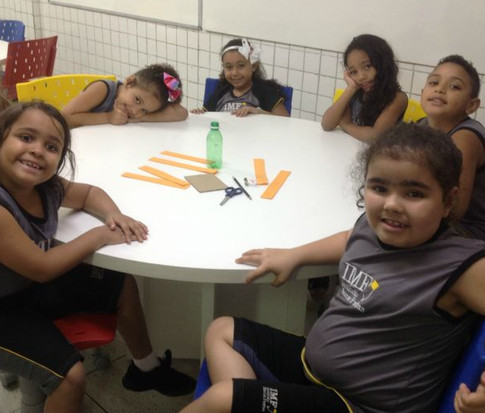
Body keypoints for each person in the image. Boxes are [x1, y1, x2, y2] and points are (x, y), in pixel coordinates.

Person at [180, 123, 485, 413]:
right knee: (221, 330)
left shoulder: (460, 266)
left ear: (448, 201)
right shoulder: (374, 226)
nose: (392, 204)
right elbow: (349, 239)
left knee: (223, 398)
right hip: (313, 369)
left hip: (359, 405)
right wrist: (295, 255)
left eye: (414, 193)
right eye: (379, 188)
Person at [0, 102, 195, 413]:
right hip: (7, 307)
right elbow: (42, 267)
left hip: (28, 288)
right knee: (71, 378)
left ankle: (145, 368)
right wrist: (99, 235)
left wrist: (114, 215)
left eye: (51, 146)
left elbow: (89, 193)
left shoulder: (46, 187)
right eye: (26, 137)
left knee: (119, 282)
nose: (37, 150)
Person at [420, 54, 485, 240]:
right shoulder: (421, 126)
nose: (440, 89)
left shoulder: (465, 138)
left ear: (471, 105)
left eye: (454, 86)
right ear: (422, 92)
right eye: (434, 82)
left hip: (468, 229)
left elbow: (455, 209)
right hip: (434, 212)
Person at [321, 34, 408, 142]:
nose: (361, 77)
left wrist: (346, 124)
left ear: (383, 64)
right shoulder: (355, 92)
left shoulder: (398, 98)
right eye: (354, 72)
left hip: (378, 152)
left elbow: (376, 136)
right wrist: (350, 89)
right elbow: (326, 124)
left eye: (367, 66)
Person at [62, 63, 188, 128]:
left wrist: (142, 118)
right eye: (137, 100)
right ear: (129, 82)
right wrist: (108, 117)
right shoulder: (103, 89)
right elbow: (64, 118)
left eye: (144, 110)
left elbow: (181, 112)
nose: (135, 111)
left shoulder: (134, 111)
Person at [191, 38, 289, 117]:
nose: (234, 73)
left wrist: (257, 112)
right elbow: (207, 115)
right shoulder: (221, 91)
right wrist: (199, 113)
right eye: (229, 67)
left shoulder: (263, 91)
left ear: (254, 66)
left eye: (241, 66)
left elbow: (284, 118)